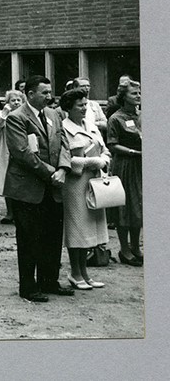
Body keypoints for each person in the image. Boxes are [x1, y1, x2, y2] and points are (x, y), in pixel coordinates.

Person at [3, 75, 74, 303]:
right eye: (44, 92)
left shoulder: (54, 114)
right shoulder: (16, 118)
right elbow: (22, 152)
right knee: (29, 238)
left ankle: (49, 281)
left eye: (49, 91)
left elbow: (64, 143)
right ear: (30, 94)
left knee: (52, 237)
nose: (49, 96)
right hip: (28, 189)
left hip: (53, 187)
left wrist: (63, 169)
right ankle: (29, 286)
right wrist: (50, 173)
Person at [59, 88, 111, 289]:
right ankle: (75, 273)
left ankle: (85, 274)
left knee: (91, 227)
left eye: (86, 104)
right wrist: (91, 161)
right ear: (68, 107)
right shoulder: (62, 128)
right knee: (77, 228)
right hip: (75, 184)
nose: (84, 108)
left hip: (95, 183)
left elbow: (105, 149)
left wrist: (103, 160)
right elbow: (63, 159)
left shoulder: (91, 125)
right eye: (80, 105)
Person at [107, 80, 143, 267]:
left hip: (142, 165)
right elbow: (112, 144)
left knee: (138, 206)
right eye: (134, 93)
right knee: (125, 205)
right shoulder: (116, 118)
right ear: (123, 97)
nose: (138, 96)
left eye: (139, 93)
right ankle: (124, 249)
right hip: (126, 165)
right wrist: (133, 152)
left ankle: (136, 247)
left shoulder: (142, 115)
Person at [0, 90, 25, 224]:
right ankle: (10, 212)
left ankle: (21, 212)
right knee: (7, 181)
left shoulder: (26, 114)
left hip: (22, 149)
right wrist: (4, 114)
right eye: (12, 100)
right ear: (7, 102)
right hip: (6, 150)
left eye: (18, 100)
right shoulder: (1, 114)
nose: (15, 103)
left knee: (21, 182)